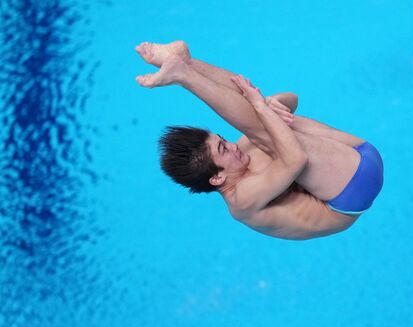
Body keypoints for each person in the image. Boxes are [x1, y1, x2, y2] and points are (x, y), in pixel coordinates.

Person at [135, 41, 384, 240]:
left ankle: (188, 63)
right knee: (263, 125)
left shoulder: (241, 153)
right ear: (217, 178)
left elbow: (292, 100)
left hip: (359, 151)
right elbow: (296, 159)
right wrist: (262, 109)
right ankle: (184, 74)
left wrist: (271, 105)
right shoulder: (242, 200)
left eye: (223, 139)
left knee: (265, 116)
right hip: (352, 190)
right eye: (223, 148)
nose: (232, 144)